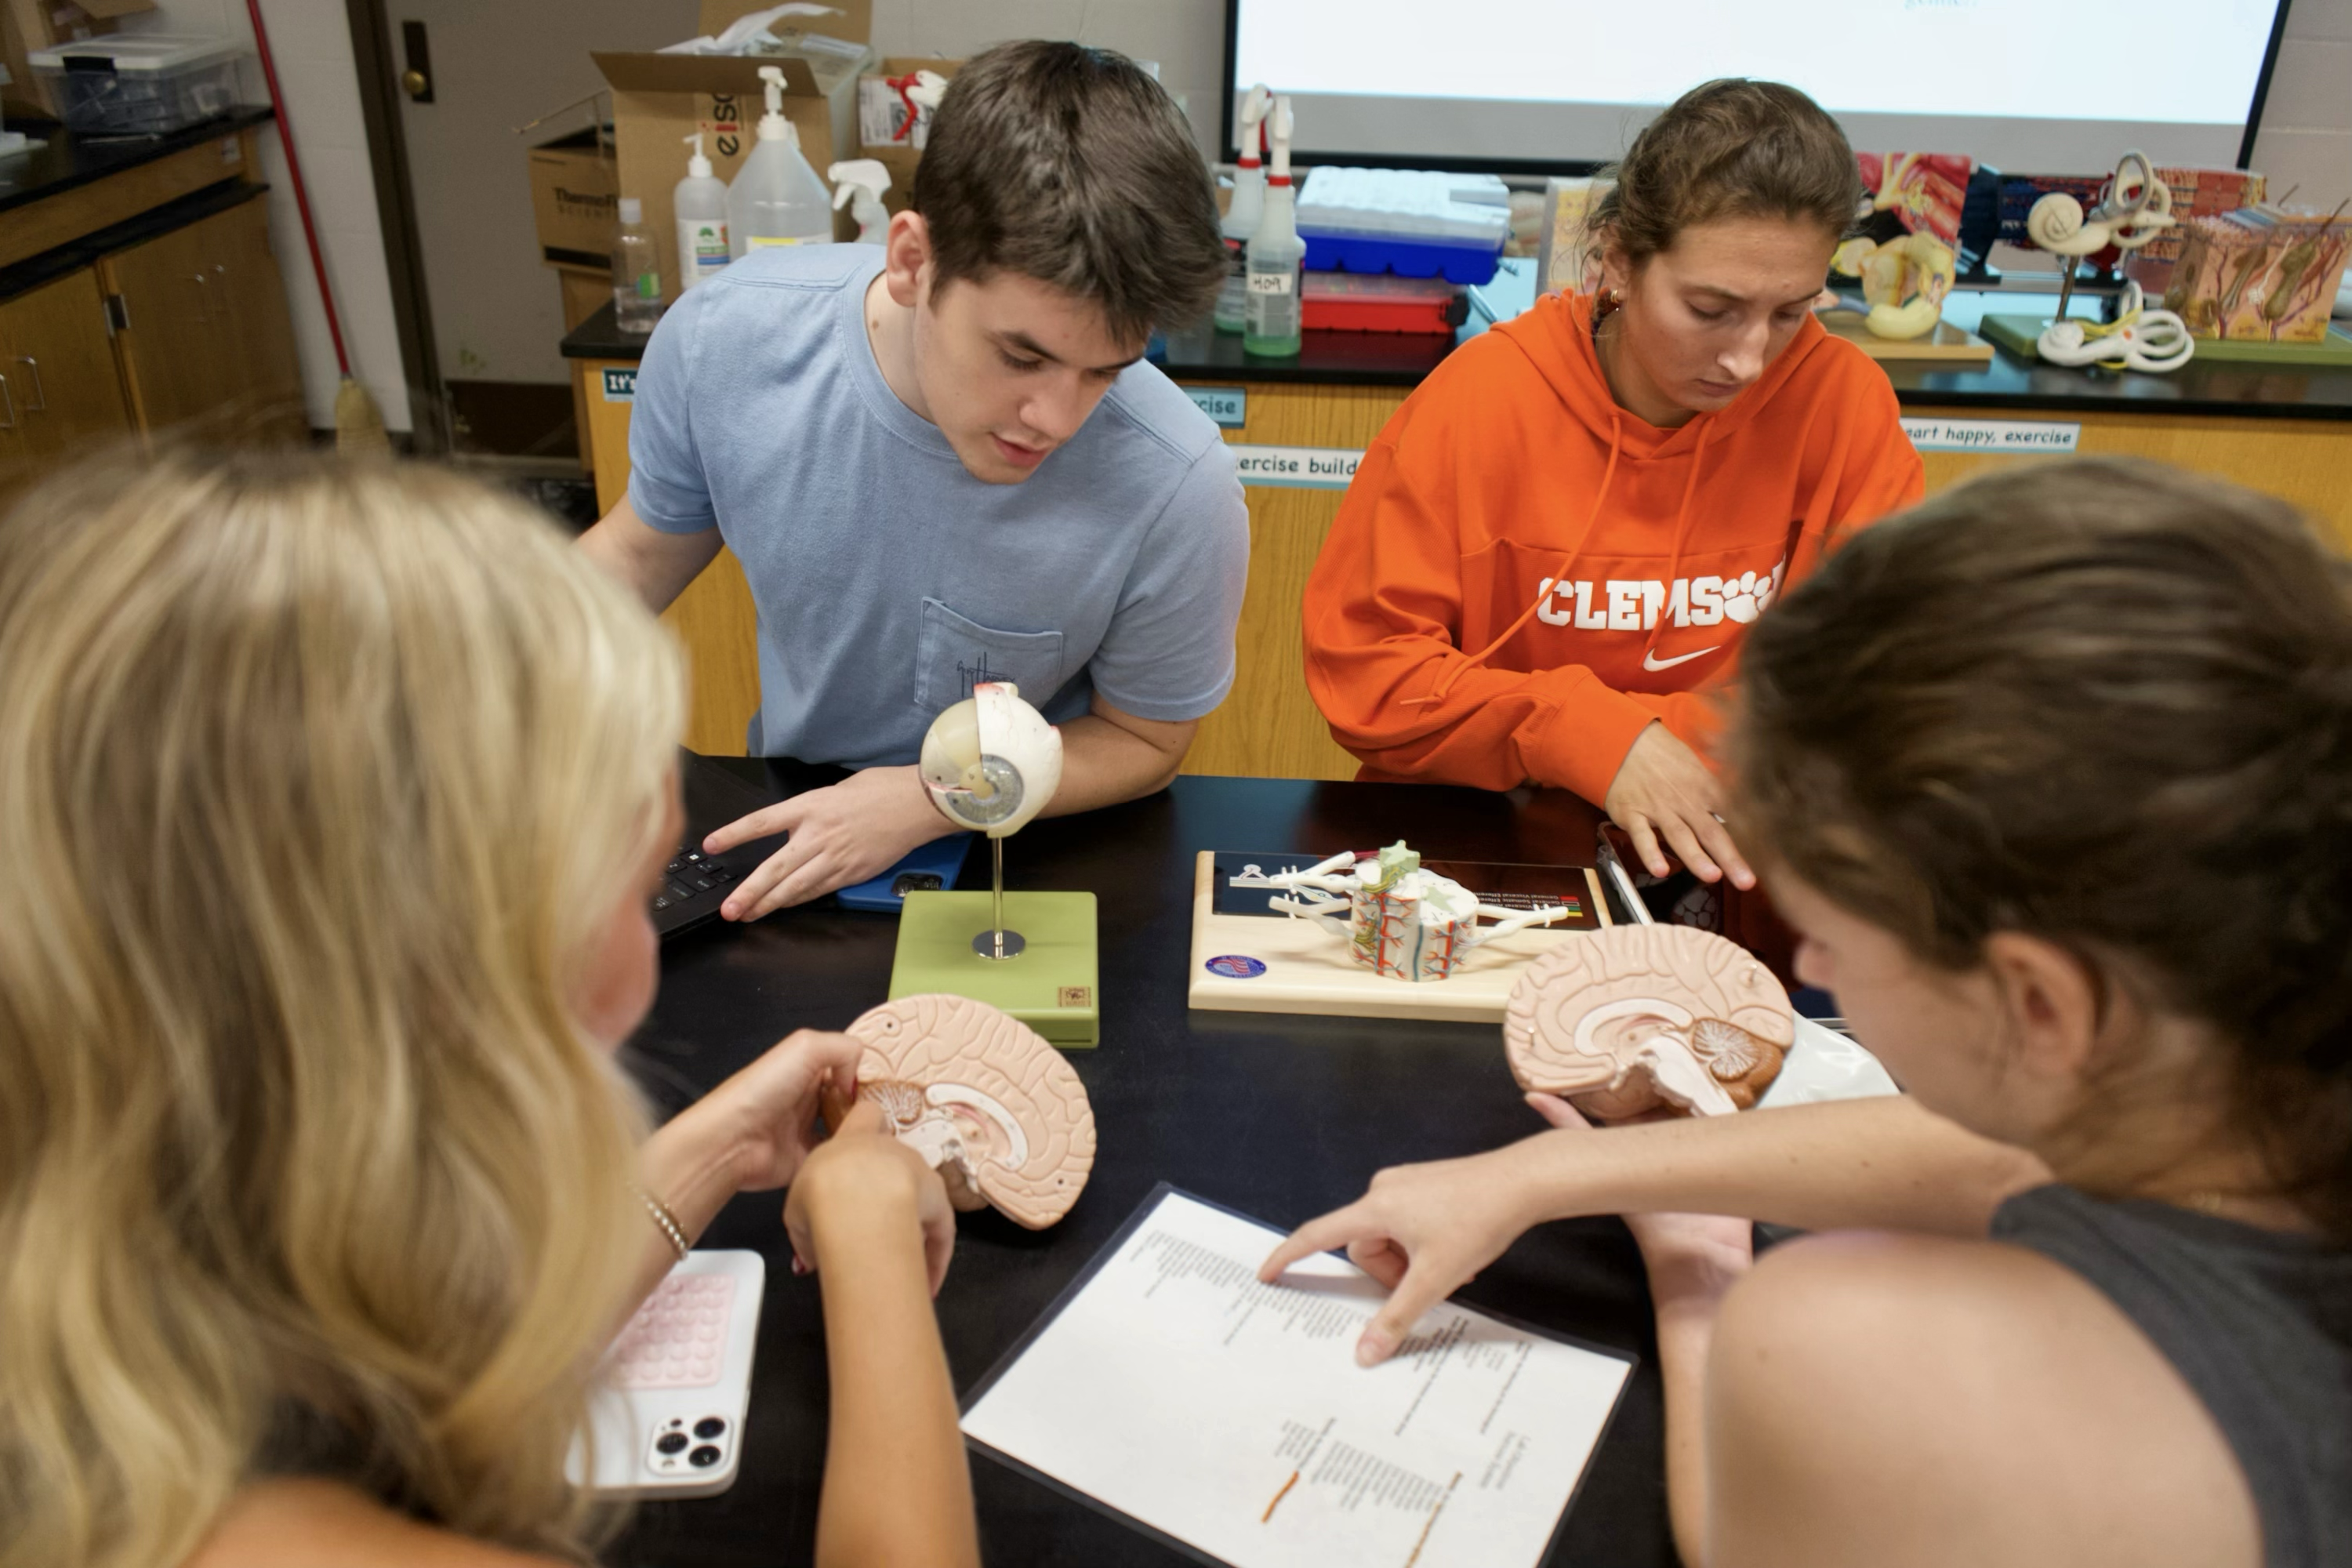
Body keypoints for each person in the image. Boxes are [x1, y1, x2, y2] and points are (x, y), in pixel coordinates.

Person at [1266, 460, 2352, 1567]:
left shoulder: (1832, 1342)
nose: (1814, 958)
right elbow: (1992, 1153)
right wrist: (1547, 1176)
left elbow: (1732, 1533)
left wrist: (1700, 1279)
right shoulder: (2235, 1091)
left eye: (1833, 928)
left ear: (2040, 1004)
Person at [0, 452, 978, 1568]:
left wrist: (706, 1157)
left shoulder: (142, 1296)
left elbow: (432, 1381)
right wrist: (867, 1241)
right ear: (456, 965)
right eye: (638, 865)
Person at [580, 40, 1247, 919]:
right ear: (910, 259)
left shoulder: (1178, 481)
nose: (1056, 417)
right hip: (797, 831)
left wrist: (929, 800)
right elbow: (635, 556)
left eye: (1104, 372)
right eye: (1021, 355)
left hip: (1039, 858)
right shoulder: (726, 344)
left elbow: (1144, 738)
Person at [1301, 79, 1922, 892]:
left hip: (1732, 853)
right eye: (1711, 308)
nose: (1748, 357)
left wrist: (1649, 740)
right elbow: (1367, 676)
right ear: (1621, 261)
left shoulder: (1842, 403)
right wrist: (1582, 733)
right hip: (1476, 852)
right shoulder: (1483, 398)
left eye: (1789, 312)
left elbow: (1881, 681)